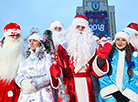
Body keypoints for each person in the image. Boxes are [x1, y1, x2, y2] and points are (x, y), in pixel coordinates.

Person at [50, 14, 111, 102]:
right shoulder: (63, 47)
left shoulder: (92, 48)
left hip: (86, 84)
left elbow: (95, 71)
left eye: (83, 27)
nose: (80, 30)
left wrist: (101, 59)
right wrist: (55, 72)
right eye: (78, 27)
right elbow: (60, 67)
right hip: (69, 85)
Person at [98, 30, 138, 102]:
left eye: (123, 40)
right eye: (118, 39)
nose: (120, 42)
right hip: (109, 97)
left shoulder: (134, 59)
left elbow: (135, 77)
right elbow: (102, 75)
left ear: (127, 42)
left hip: (127, 98)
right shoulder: (108, 56)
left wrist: (127, 95)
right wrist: (116, 93)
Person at [15, 33, 55, 102]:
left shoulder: (46, 57)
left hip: (42, 93)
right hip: (26, 94)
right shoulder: (24, 58)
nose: (32, 43)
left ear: (39, 42)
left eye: (34, 40)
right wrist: (23, 83)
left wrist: (37, 83)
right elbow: (19, 74)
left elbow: (50, 75)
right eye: (30, 41)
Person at [0, 22, 23, 102]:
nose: (15, 38)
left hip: (18, 86)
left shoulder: (24, 48)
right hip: (2, 85)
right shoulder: (1, 48)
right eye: (12, 35)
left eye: (17, 35)